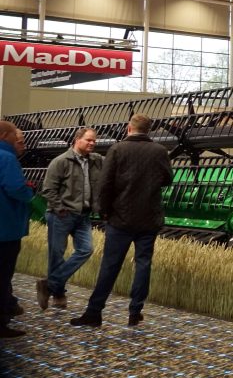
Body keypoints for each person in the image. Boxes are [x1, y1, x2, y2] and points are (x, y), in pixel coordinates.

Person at [71, 114, 173, 328]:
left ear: (129, 129)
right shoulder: (160, 151)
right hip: (148, 219)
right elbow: (167, 179)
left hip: (120, 219)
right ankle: (135, 312)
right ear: (149, 130)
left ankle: (94, 313)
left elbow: (105, 183)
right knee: (143, 264)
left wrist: (104, 211)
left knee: (110, 266)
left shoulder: (118, 150)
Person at [37, 127, 102, 311]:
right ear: (77, 140)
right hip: (61, 215)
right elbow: (48, 189)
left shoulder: (96, 161)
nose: (92, 143)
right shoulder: (60, 162)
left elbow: (116, 162)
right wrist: (60, 209)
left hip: (83, 215)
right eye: (89, 140)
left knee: (86, 250)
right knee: (56, 255)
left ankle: (49, 285)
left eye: (94, 141)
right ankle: (58, 295)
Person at [0, 122, 31, 339]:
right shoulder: (7, 158)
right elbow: (15, 188)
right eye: (15, 136)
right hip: (6, 227)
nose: (17, 140)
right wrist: (30, 192)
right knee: (3, 276)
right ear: (4, 135)